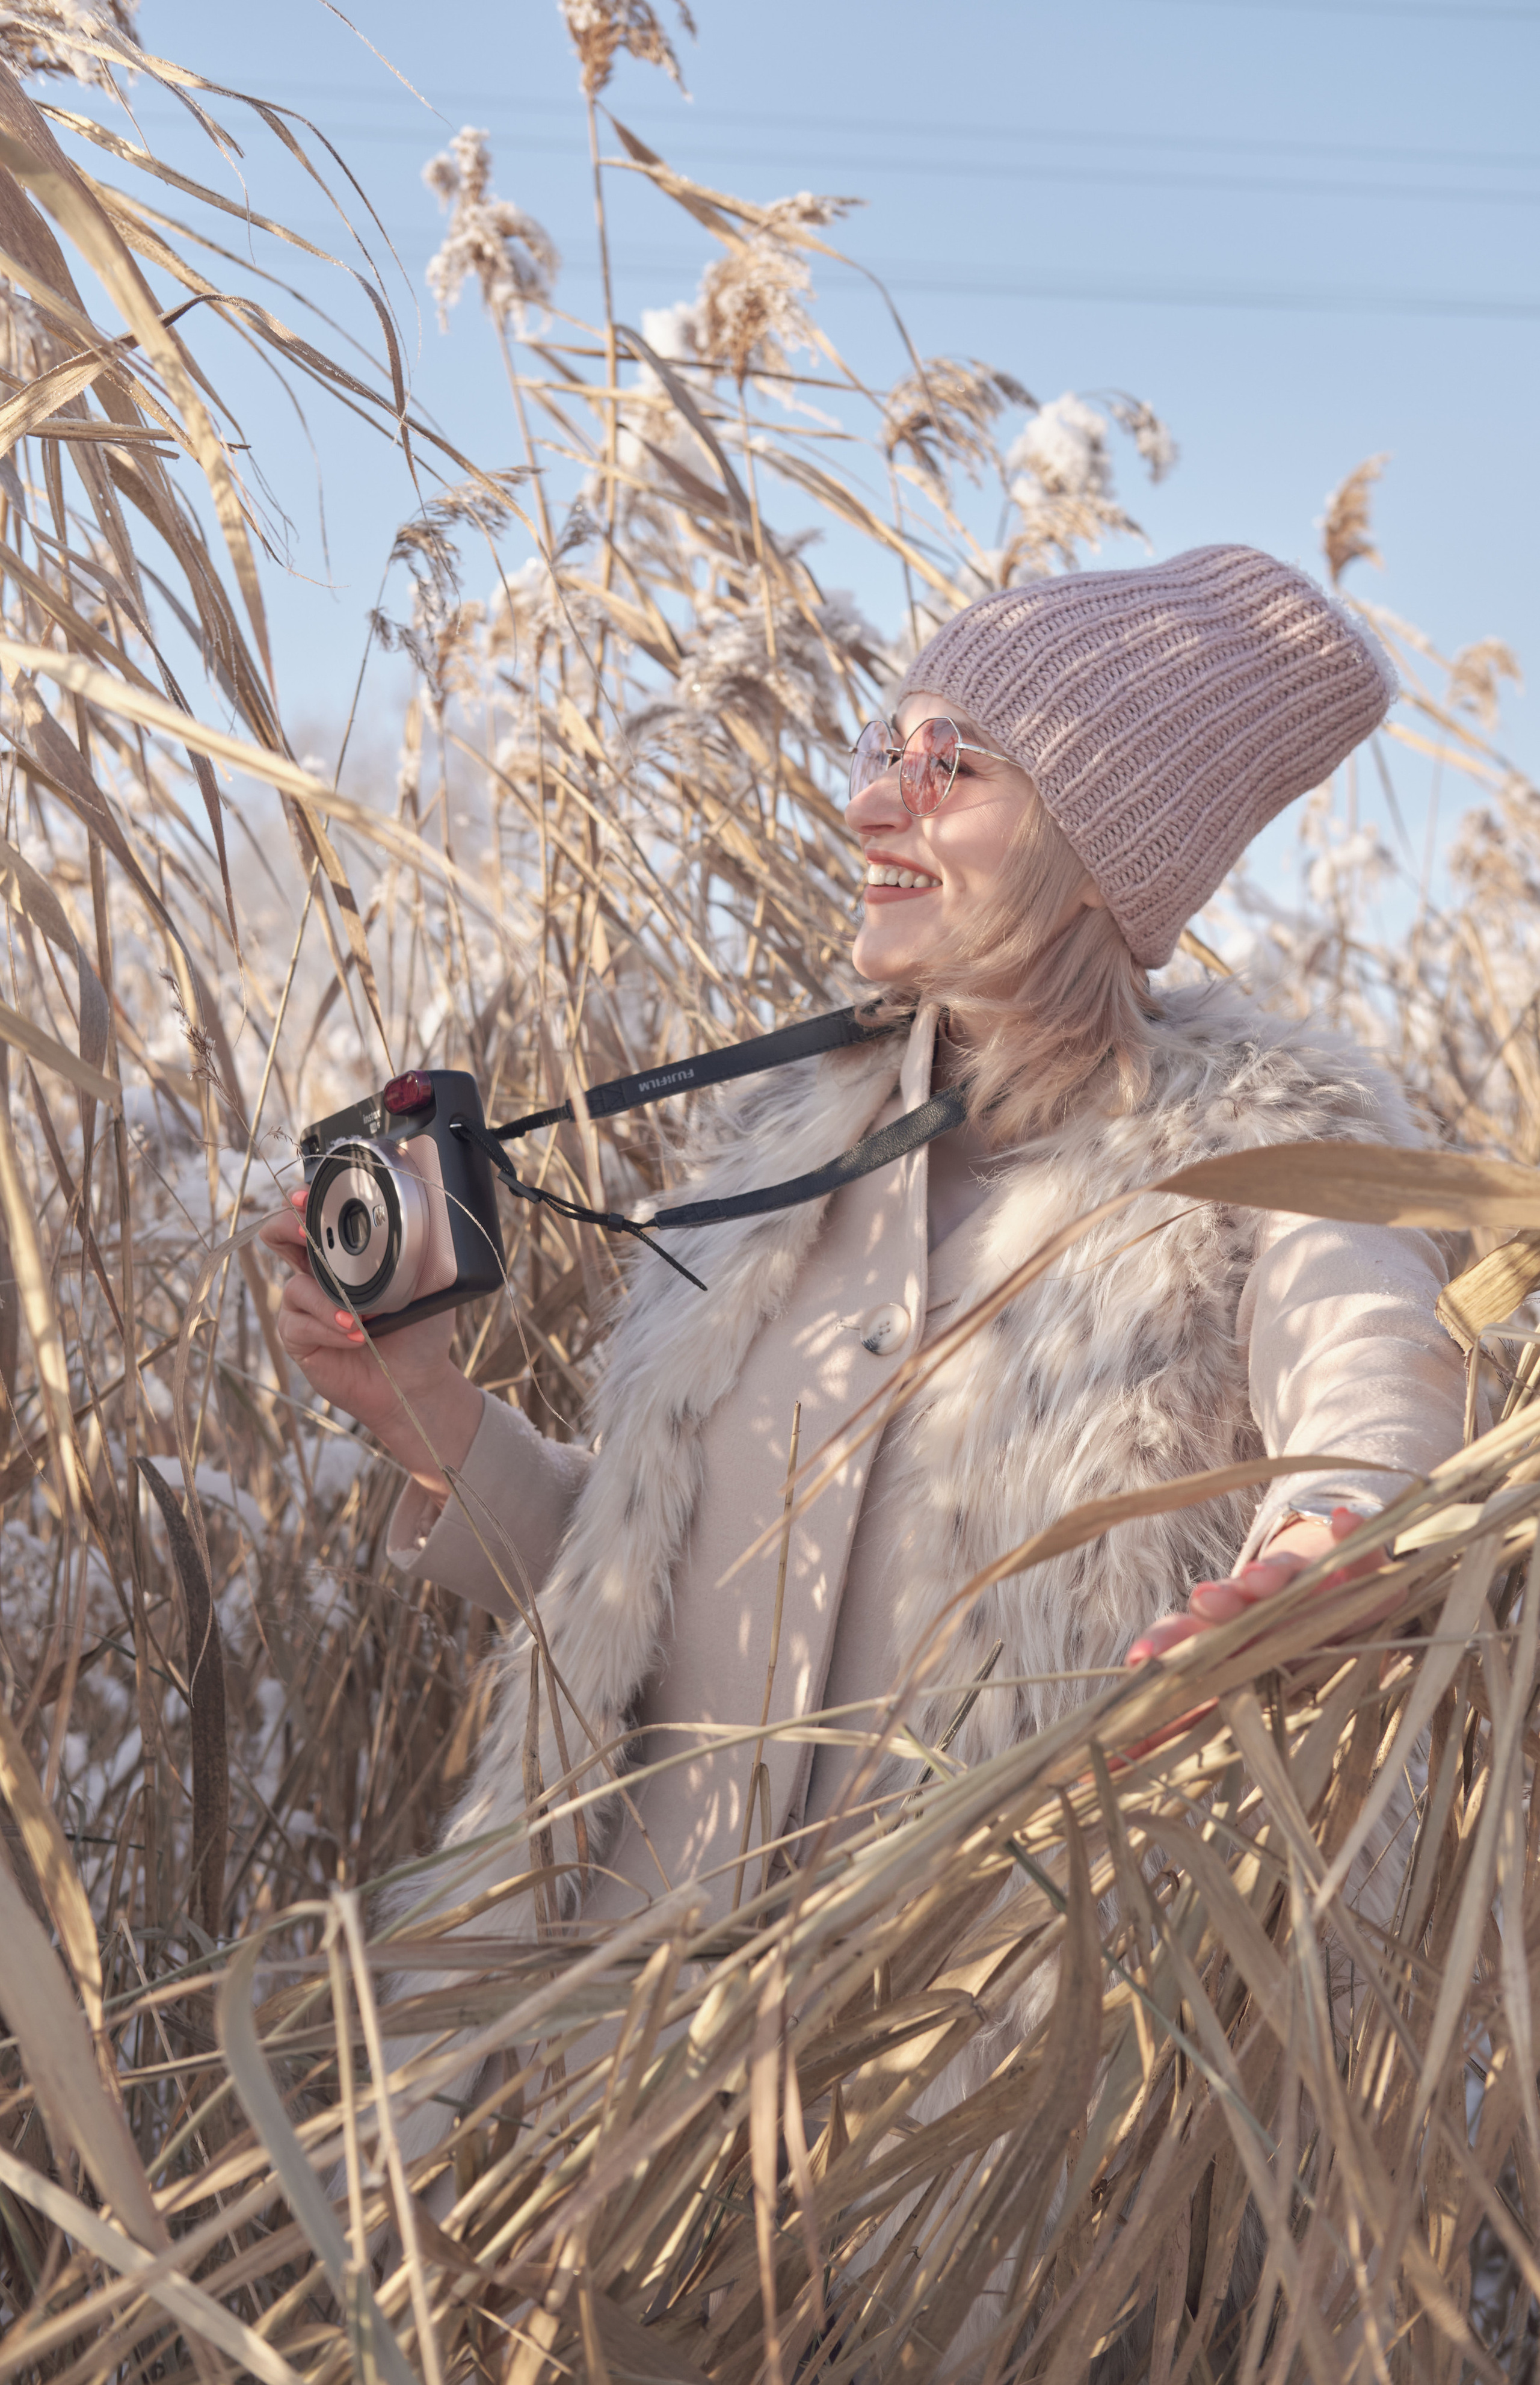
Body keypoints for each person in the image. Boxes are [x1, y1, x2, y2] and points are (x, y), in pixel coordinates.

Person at [261, 543, 1467, 2164]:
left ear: (1104, 846)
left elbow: (1376, 1393)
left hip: (963, 2154)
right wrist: (426, 1415)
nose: (871, 803)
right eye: (882, 748)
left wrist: (1326, 1547)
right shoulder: (781, 1155)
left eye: (950, 765)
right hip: (616, 2108)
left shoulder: (1275, 1155)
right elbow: (639, 1605)